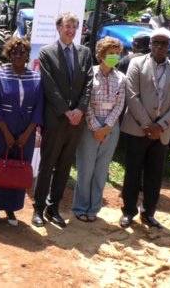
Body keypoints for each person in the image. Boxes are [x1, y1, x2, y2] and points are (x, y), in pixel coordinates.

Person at [119, 27, 170, 229]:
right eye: (155, 42)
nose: (158, 46)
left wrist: (161, 125)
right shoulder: (136, 64)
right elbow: (132, 95)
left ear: (169, 47)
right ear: (150, 44)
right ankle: (129, 211)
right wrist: (148, 125)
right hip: (137, 128)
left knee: (154, 175)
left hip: (162, 133)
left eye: (163, 43)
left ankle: (148, 213)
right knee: (132, 172)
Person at [33, 12, 94, 228]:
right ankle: (38, 208)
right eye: (67, 26)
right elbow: (49, 85)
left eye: (74, 27)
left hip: (76, 122)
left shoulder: (85, 53)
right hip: (55, 119)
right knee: (47, 165)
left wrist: (80, 109)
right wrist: (66, 110)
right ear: (58, 27)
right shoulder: (46, 52)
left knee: (65, 167)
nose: (70, 30)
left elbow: (88, 83)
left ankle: (53, 208)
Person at [0, 37, 43, 227]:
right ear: (8, 54)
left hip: (26, 131)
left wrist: (27, 134)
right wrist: (6, 133)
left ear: (28, 55)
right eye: (14, 52)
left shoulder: (36, 77)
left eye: (22, 52)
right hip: (0, 130)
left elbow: (39, 107)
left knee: (18, 168)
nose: (18, 56)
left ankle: (12, 208)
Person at [72, 37, 126, 222]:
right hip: (89, 126)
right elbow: (85, 102)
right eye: (111, 54)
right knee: (85, 169)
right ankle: (80, 207)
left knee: (101, 170)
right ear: (100, 55)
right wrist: (96, 127)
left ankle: (94, 209)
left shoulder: (121, 78)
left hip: (111, 128)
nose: (114, 57)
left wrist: (107, 127)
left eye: (117, 54)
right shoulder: (90, 75)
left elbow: (120, 105)